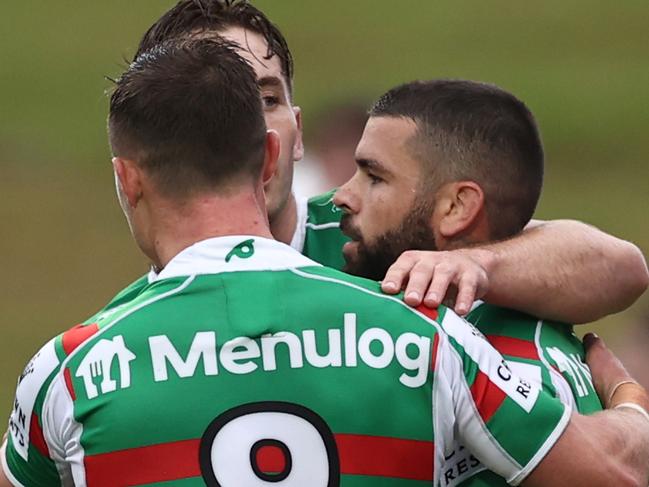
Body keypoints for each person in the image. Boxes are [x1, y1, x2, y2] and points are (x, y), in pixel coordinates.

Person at [2, 37, 649, 487]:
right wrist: (626, 398)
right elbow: (613, 471)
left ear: (127, 179)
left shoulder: (69, 368)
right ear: (269, 158)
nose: (345, 192)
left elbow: (614, 263)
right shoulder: (424, 333)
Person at [117, 0, 649, 324]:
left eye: (267, 100)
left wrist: (478, 265)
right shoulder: (121, 333)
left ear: (296, 134)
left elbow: (618, 268)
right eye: (215, 108)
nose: (249, 128)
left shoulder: (373, 233)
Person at [330, 79, 635, 485]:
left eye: (374, 177)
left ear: (457, 207)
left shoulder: (504, 369)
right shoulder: (532, 311)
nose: (341, 196)